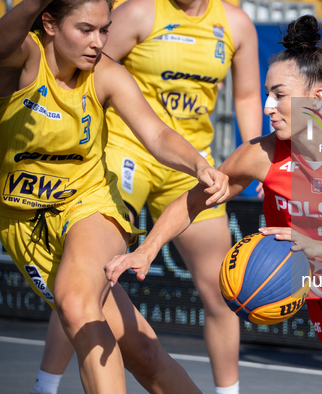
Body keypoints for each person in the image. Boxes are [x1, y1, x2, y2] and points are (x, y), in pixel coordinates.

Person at [105, 15, 322, 394]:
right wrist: (147, 250)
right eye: (267, 93)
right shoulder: (260, 156)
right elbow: (193, 201)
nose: (267, 106)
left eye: (279, 94)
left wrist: (315, 247)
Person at [29, 0, 261, 393]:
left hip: (189, 160)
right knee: (85, 281)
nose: (95, 38)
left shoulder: (235, 24)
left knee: (222, 290)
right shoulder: (139, 12)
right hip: (126, 152)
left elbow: (247, 96)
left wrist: (254, 163)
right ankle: (45, 385)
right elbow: (80, 71)